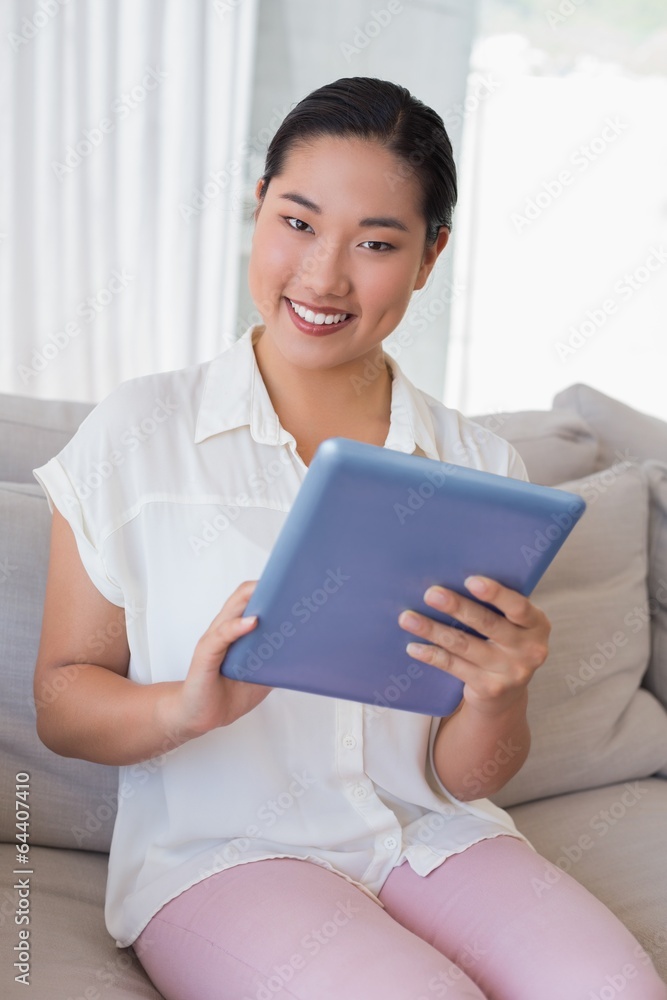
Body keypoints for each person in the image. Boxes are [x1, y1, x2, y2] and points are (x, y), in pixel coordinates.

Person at [33, 76, 666, 1000]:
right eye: (297, 222)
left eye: (375, 243)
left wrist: (500, 693)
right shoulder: (139, 433)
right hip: (226, 857)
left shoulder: (478, 464)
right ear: (258, 210)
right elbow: (60, 699)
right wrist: (185, 708)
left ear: (429, 255)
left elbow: (464, 774)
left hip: (434, 835)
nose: (323, 277)